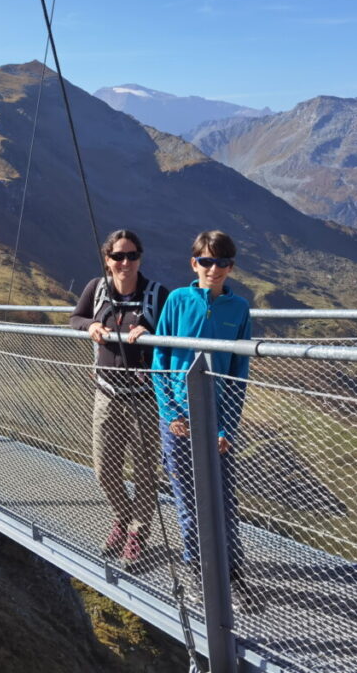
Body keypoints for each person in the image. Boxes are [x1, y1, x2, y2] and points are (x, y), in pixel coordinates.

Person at [152, 230, 252, 588]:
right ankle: (198, 570)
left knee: (224, 500)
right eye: (207, 261)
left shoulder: (239, 309)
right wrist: (171, 412)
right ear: (194, 263)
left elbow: (239, 373)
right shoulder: (178, 300)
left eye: (222, 262)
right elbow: (159, 357)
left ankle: (234, 573)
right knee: (188, 501)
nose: (214, 269)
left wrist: (227, 428)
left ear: (231, 266)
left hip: (216, 420)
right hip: (177, 420)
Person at [70, 229, 168, 571]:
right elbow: (75, 318)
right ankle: (123, 518)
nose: (125, 263)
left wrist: (153, 335)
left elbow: (173, 338)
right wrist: (91, 327)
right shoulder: (96, 289)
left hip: (145, 397)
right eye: (118, 256)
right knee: (104, 470)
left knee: (145, 472)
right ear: (107, 259)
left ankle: (138, 534)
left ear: (140, 258)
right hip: (106, 394)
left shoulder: (157, 294)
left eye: (132, 256)